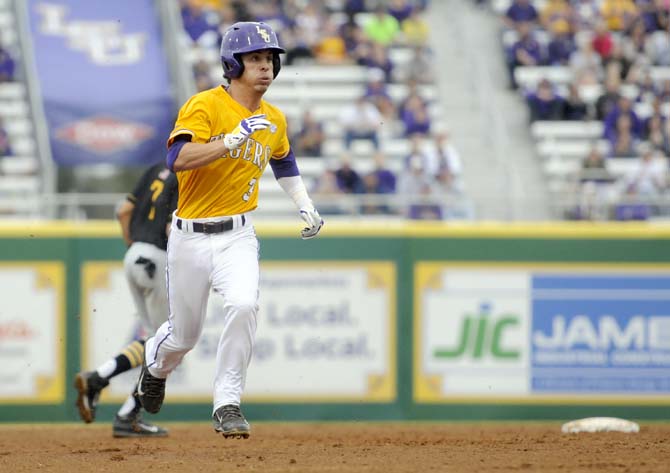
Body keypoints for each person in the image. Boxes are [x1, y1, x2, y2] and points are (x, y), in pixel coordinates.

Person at [135, 21, 324, 439]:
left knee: (242, 305)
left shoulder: (274, 119)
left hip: (237, 234)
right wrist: (229, 141)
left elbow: (284, 162)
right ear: (231, 63)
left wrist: (304, 204)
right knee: (183, 336)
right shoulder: (204, 105)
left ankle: (227, 402)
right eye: (254, 58)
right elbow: (177, 158)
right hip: (189, 235)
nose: (265, 67)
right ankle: (155, 364)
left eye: (270, 59)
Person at [74, 162, 178, 438]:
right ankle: (124, 411)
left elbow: (124, 210)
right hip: (158, 258)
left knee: (153, 340)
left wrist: (133, 246)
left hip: (135, 256)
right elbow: (171, 230)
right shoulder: (189, 173)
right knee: (168, 343)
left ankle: (102, 381)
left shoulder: (155, 168)